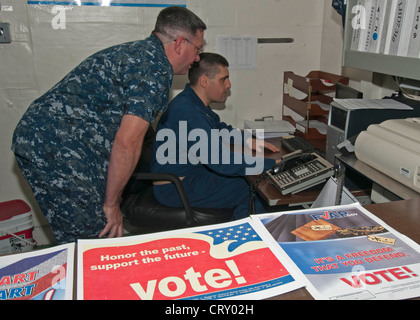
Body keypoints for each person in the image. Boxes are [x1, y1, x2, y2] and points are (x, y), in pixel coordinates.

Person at [11, 6, 207, 244]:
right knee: (95, 233)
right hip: (55, 145)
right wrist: (112, 203)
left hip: (48, 140)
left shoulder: (141, 53)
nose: (197, 57)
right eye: (197, 48)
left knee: (86, 232)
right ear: (179, 44)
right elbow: (128, 142)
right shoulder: (155, 68)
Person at [151, 52, 280, 220]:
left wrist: (248, 140)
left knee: (250, 180)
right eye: (223, 79)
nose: (229, 85)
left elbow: (220, 129)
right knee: (253, 189)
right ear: (204, 81)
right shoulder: (188, 111)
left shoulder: (193, 103)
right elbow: (221, 162)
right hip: (176, 187)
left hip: (191, 177)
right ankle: (243, 239)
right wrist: (272, 164)